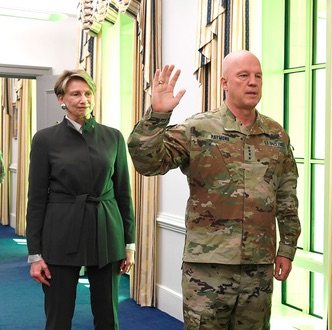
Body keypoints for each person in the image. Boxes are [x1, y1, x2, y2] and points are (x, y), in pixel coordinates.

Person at [127, 50, 301, 329]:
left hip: (258, 267)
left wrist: (287, 247)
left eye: (258, 76)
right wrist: (157, 115)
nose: (253, 82)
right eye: (243, 76)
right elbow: (148, 163)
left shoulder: (276, 134)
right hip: (208, 269)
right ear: (224, 83)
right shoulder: (198, 129)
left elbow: (286, 194)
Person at [26, 69, 136, 329]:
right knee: (59, 315)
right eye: (75, 94)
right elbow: (36, 200)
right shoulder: (44, 140)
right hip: (61, 232)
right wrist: (35, 254)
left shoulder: (113, 137)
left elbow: (123, 193)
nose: (83, 99)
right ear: (61, 99)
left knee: (108, 315)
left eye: (88, 93)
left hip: (106, 231)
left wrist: (128, 243)